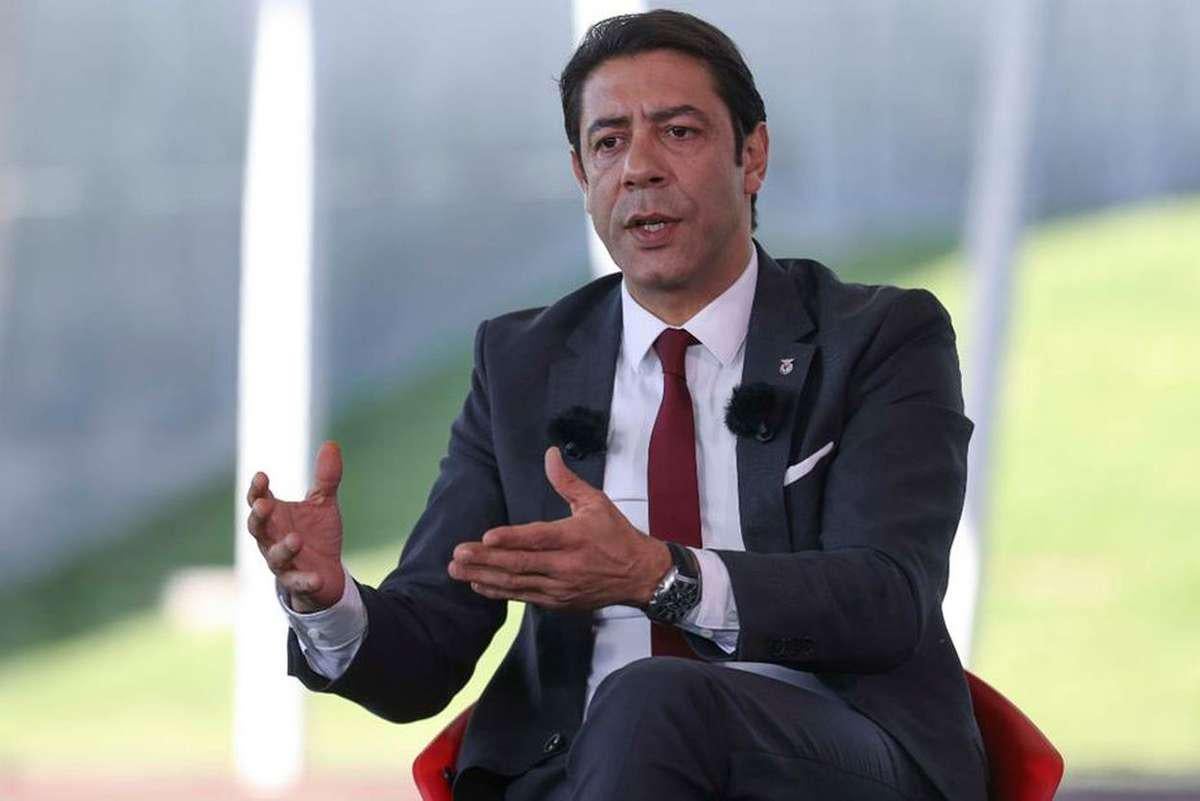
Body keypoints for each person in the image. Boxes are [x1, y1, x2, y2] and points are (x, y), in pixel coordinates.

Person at [245, 9, 988, 801]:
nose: (638, 168)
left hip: (828, 756)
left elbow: (886, 599)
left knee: (651, 698)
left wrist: (659, 575)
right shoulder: (522, 364)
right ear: (581, 175)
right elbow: (428, 655)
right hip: (583, 770)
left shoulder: (877, 338)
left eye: (678, 132)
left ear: (753, 155)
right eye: (608, 143)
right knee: (631, 715)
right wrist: (328, 601)